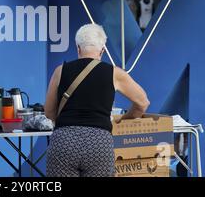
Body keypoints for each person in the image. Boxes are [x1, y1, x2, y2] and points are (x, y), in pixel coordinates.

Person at [44, 23, 150, 177]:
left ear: (78, 48)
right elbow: (143, 103)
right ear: (102, 50)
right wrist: (123, 119)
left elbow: (49, 111)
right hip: (99, 143)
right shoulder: (115, 73)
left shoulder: (60, 71)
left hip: (64, 142)